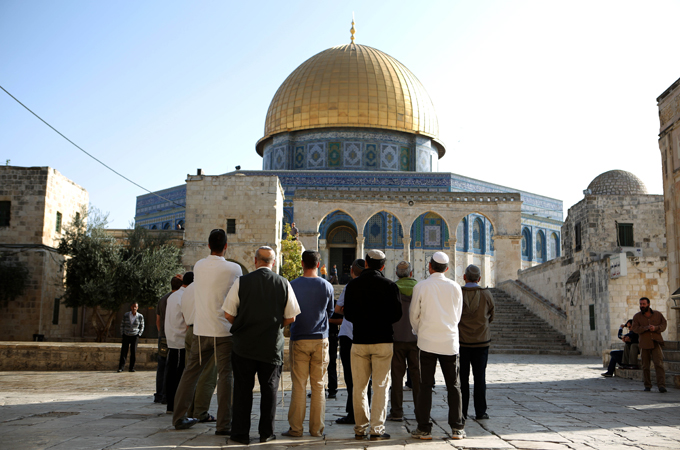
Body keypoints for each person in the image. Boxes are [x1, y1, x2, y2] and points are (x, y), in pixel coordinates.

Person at [223, 246, 301, 445]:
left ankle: (240, 433)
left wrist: (244, 325)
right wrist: (273, 325)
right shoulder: (283, 283)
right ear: (273, 262)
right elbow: (291, 316)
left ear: (255, 260)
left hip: (244, 346)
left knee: (242, 390)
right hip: (270, 347)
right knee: (269, 391)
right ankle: (266, 432)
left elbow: (228, 314)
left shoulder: (241, 282)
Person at [172, 229, 242, 433]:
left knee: (190, 374)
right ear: (226, 246)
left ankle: (179, 417)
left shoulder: (199, 266)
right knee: (226, 376)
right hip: (225, 330)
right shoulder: (234, 269)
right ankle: (224, 424)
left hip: (201, 330)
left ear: (209, 245)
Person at [343, 250, 401, 441]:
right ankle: (377, 429)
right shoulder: (390, 286)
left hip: (359, 341)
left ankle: (360, 427)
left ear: (366, 263)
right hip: (383, 341)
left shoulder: (353, 285)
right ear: (383, 266)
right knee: (381, 386)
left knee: (359, 386)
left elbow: (348, 314)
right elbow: (397, 315)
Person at [410, 252, 465, 440]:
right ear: (447, 268)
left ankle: (424, 428)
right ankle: (457, 427)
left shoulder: (421, 286)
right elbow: (457, 316)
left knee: (425, 385)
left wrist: (420, 331)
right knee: (454, 385)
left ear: (430, 266)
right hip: (449, 342)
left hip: (427, 342)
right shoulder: (456, 287)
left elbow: (413, 315)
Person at [283, 250, 334, 438]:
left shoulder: (292, 285)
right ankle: (316, 429)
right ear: (319, 265)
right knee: (319, 384)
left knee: (299, 384)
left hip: (300, 337)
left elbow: (288, 312)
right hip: (320, 339)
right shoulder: (327, 285)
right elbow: (329, 313)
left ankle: (296, 428)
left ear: (302, 263)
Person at [334, 259, 368, 425]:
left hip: (348, 334)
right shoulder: (373, 285)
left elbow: (337, 309)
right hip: (367, 335)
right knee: (365, 377)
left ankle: (353, 413)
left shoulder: (349, 287)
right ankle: (364, 412)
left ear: (352, 271)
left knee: (350, 377)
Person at [459, 264, 494, 421]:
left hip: (463, 342)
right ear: (479, 278)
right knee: (480, 377)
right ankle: (480, 411)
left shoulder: (458, 293)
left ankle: (462, 411)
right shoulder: (486, 294)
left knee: (463, 378)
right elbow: (491, 314)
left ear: (464, 277)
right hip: (481, 342)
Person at [181, 276, 217, 423]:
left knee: (191, 373)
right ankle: (200, 412)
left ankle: (189, 410)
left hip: (190, 330)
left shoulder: (188, 289)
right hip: (205, 330)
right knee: (208, 374)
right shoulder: (208, 288)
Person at [388, 261, 420, 422]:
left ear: (396, 274)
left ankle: (396, 412)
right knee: (417, 376)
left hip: (397, 338)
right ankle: (420, 411)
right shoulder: (420, 288)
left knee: (396, 377)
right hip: (416, 339)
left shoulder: (392, 288)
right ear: (411, 273)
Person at [164, 272, 192, 413]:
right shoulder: (185, 296)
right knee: (179, 374)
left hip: (171, 338)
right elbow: (187, 320)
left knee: (171, 371)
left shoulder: (173, 296)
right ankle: (176, 405)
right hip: (180, 339)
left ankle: (170, 403)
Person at [154, 275, 183, 403]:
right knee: (172, 365)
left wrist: (161, 333)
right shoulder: (178, 298)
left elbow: (158, 320)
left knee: (161, 366)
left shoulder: (162, 299)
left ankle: (159, 393)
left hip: (163, 336)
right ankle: (168, 395)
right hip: (174, 337)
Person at [631, 297, 667, 393]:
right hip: (644, 343)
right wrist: (646, 328)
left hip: (656, 342)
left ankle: (661, 385)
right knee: (645, 366)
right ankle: (647, 385)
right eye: (641, 304)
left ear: (648, 304)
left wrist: (655, 328)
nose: (642, 306)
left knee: (659, 364)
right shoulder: (637, 317)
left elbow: (664, 325)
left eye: (644, 304)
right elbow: (635, 329)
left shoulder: (658, 314)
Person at [118, 302, 145, 373]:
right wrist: (122, 333)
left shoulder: (140, 316)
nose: (134, 308)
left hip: (135, 335)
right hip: (126, 335)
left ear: (137, 308)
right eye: (133, 306)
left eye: (135, 307)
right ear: (131, 307)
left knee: (133, 352)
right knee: (124, 352)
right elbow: (122, 324)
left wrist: (139, 334)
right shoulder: (126, 315)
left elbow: (142, 325)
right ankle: (121, 367)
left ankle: (131, 367)